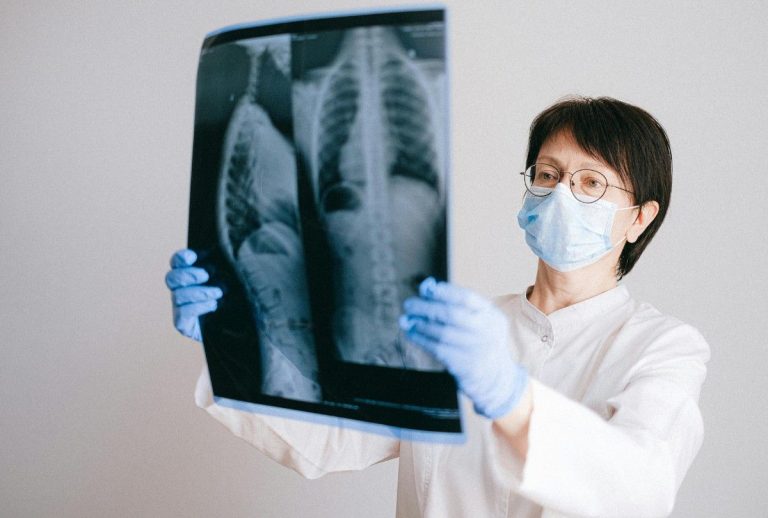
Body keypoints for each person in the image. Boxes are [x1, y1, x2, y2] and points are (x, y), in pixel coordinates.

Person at [165, 96, 710, 517]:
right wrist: (230, 336)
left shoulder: (664, 348)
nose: (561, 193)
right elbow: (328, 439)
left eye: (591, 182)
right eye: (548, 174)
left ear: (640, 217)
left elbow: (640, 488)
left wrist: (508, 394)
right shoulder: (454, 330)